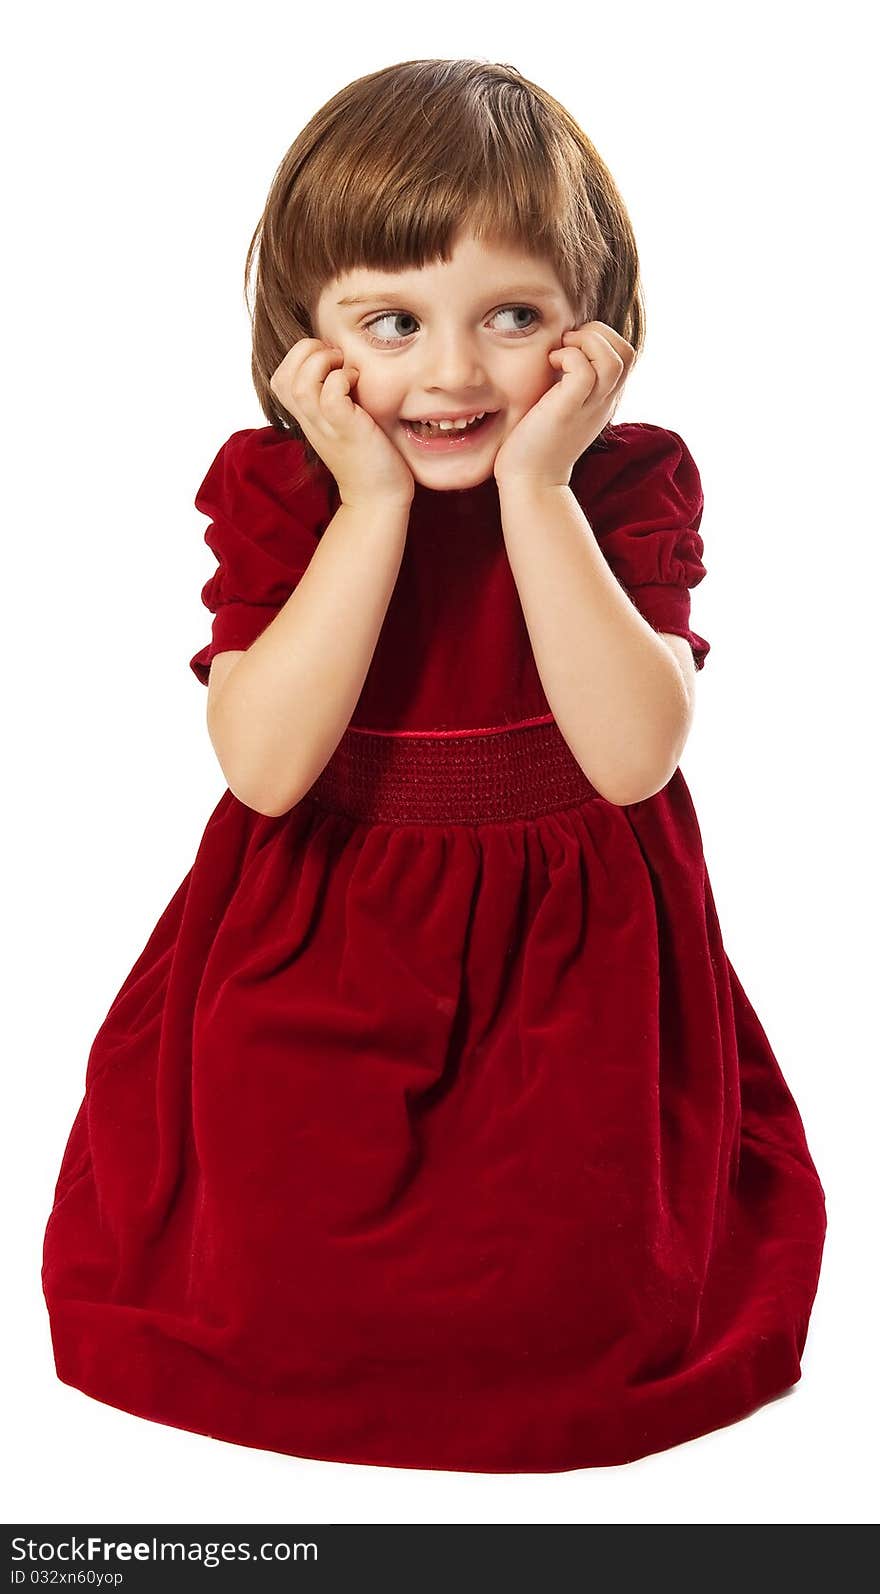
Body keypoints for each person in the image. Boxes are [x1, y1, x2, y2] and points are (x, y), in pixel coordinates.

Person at [41, 57, 827, 1473]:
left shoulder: (623, 482)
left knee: (580, 1290)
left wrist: (535, 487)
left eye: (512, 318)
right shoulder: (279, 491)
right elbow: (267, 768)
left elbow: (634, 755)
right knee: (278, 1267)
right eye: (392, 321)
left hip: (570, 977)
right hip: (319, 952)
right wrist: (374, 503)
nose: (455, 373)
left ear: (593, 330)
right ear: (308, 339)